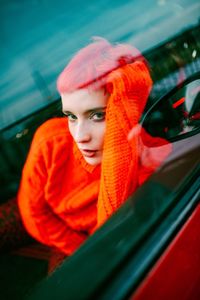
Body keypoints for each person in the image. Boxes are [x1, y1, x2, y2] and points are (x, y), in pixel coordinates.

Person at [17, 37, 170, 258]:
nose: (80, 135)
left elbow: (118, 224)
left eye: (98, 115)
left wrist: (120, 149)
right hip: (72, 244)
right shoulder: (49, 141)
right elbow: (33, 213)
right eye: (71, 116)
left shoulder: (143, 149)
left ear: (121, 110)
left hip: (111, 242)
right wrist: (83, 251)